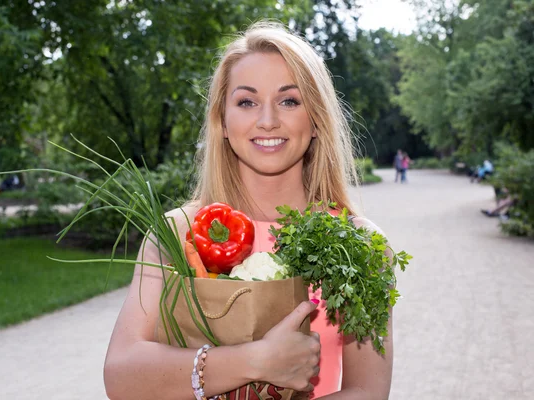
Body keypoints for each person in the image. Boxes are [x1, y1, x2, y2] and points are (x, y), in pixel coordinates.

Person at [104, 21, 393, 400]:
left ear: (317, 119)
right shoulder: (177, 233)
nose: (268, 119)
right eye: (246, 102)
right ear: (222, 121)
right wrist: (255, 361)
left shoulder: (359, 246)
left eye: (289, 100)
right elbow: (121, 375)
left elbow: (367, 393)